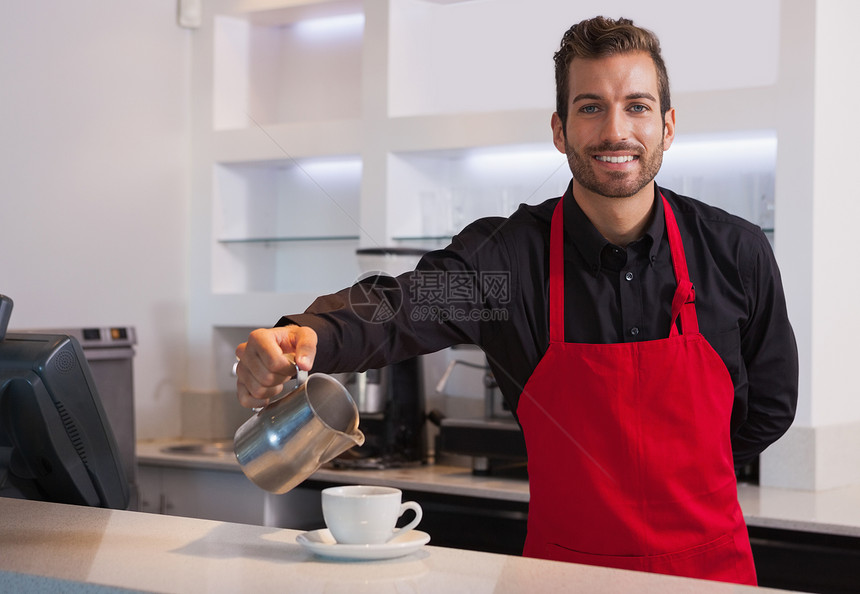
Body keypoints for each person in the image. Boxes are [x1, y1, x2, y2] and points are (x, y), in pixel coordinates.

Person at [235, 16, 797, 585]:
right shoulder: (508, 263)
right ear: (560, 130)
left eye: (637, 106)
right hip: (560, 574)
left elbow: (771, 407)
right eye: (590, 107)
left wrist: (680, 475)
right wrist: (311, 334)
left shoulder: (734, 253)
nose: (615, 130)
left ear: (668, 125)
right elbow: (403, 305)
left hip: (709, 574)